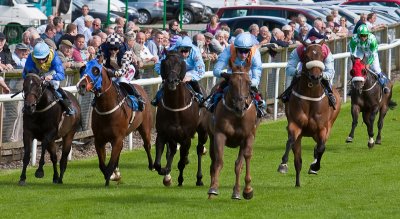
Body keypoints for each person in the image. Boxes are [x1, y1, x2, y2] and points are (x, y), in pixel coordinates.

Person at [203, 33, 266, 118]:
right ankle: (212, 104)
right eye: (240, 51)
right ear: (236, 49)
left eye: (246, 51)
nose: (243, 55)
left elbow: (256, 75)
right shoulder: (229, 50)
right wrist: (223, 74)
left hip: (248, 79)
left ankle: (261, 108)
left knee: (259, 98)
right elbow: (216, 70)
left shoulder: (255, 54)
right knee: (218, 91)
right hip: (232, 77)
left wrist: (250, 83)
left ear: (250, 50)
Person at [279, 36, 336, 109]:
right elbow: (289, 69)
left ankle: (330, 94)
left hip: (321, 72)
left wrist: (322, 75)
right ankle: (287, 94)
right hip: (304, 71)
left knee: (326, 82)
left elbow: (330, 72)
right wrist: (298, 72)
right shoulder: (299, 50)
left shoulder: (325, 50)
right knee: (293, 82)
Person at [22, 41, 75, 115]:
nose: (40, 61)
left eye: (43, 58)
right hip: (37, 72)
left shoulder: (54, 57)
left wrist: (52, 77)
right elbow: (25, 73)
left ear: (47, 55)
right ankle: (27, 105)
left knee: (55, 86)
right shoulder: (31, 57)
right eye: (38, 59)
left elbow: (61, 75)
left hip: (51, 72)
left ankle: (68, 105)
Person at [152, 36, 205, 106]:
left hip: (190, 71)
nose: (183, 54)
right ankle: (157, 97)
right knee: (166, 82)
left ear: (190, 49)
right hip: (175, 72)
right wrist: (168, 74)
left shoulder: (195, 52)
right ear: (177, 49)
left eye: (186, 50)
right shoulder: (172, 51)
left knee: (193, 81)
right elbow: (158, 65)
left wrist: (190, 77)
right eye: (181, 50)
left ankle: (201, 98)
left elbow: (201, 71)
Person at [97, 33, 145, 110]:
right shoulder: (102, 48)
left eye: (115, 49)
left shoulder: (126, 50)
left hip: (128, 69)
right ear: (107, 46)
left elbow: (123, 70)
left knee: (122, 80)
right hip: (111, 69)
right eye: (110, 49)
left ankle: (138, 98)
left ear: (120, 46)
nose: (113, 51)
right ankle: (96, 99)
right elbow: (99, 64)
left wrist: (113, 72)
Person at [349, 24, 390, 94]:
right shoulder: (354, 39)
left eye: (365, 35)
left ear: (368, 34)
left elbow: (373, 54)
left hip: (371, 52)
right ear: (358, 35)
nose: (363, 37)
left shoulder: (372, 40)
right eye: (361, 35)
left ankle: (384, 85)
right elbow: (352, 53)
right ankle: (351, 87)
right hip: (360, 51)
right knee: (356, 68)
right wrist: (356, 62)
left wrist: (368, 64)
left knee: (376, 69)